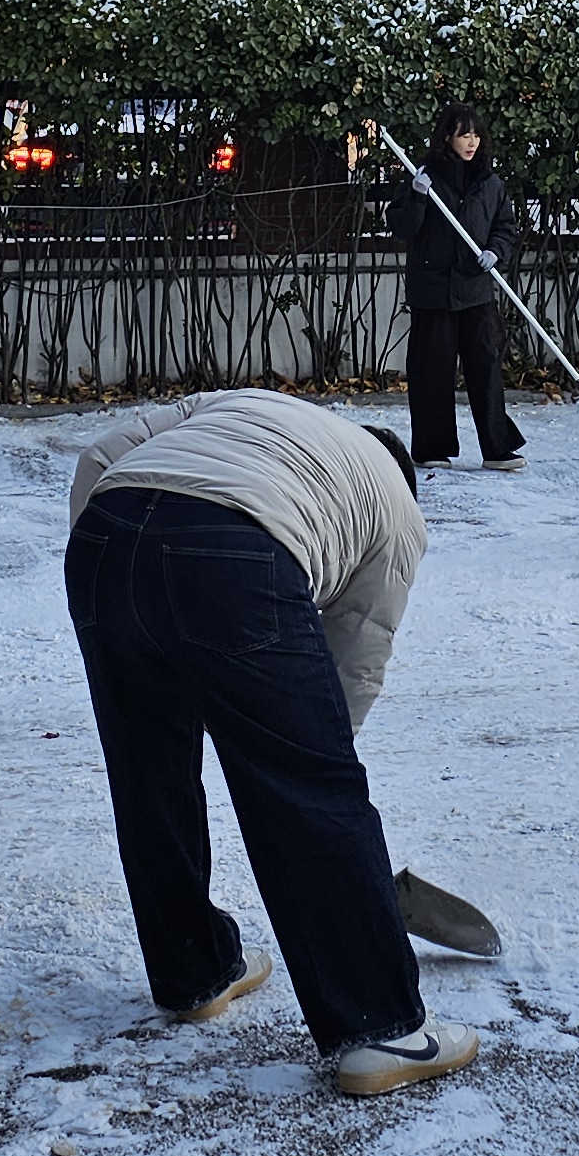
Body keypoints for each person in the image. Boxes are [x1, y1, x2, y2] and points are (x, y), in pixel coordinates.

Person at [63, 389, 476, 1100]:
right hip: (236, 551)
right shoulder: (396, 510)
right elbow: (355, 661)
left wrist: (139, 602)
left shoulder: (252, 405)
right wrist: (308, 772)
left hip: (103, 542)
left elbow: (99, 455)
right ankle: (379, 1028)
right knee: (312, 785)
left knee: (150, 772)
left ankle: (195, 972)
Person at [391, 104, 523, 470]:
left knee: (486, 368)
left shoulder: (490, 183)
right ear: (446, 136)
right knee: (431, 370)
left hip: (475, 290)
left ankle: (497, 448)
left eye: (476, 134)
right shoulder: (423, 178)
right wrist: (417, 195)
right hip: (432, 290)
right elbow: (403, 227)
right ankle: (433, 449)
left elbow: (505, 226)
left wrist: (495, 251)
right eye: (464, 134)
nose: (472, 142)